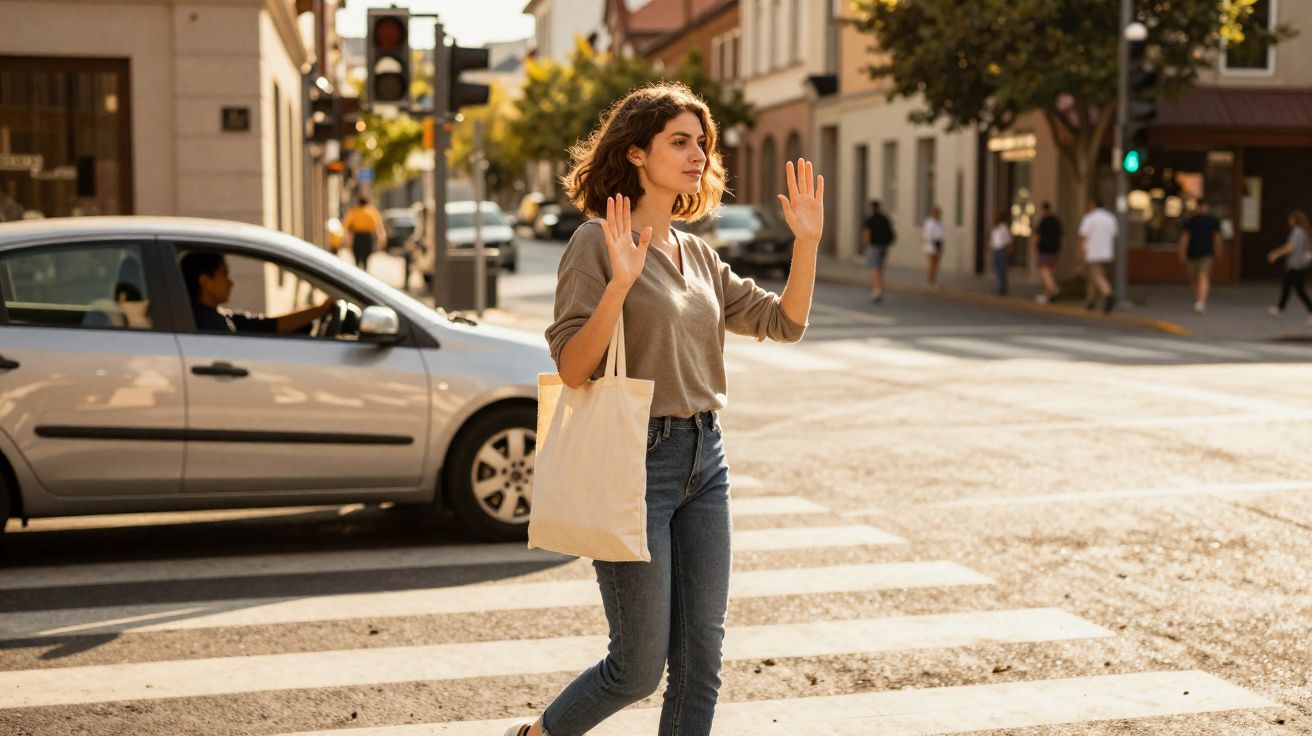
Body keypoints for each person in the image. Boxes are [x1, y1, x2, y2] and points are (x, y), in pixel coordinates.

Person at [520, 83, 824, 736]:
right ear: (636, 154)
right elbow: (574, 367)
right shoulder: (594, 244)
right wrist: (620, 287)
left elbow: (785, 323)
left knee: (701, 658)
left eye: (701, 142)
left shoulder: (697, 253)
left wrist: (806, 243)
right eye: (679, 141)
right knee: (636, 666)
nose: (697, 154)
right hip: (635, 458)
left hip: (705, 458)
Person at [179, 251, 333, 334]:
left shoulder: (211, 317)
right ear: (205, 281)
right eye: (224, 274)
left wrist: (321, 310)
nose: (231, 283)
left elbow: (268, 325)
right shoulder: (211, 324)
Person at [1266, 209, 1312, 323]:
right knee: (1287, 287)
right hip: (1298, 264)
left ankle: (1309, 310)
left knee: (1299, 289)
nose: (1289, 221)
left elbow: (1290, 247)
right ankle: (1280, 308)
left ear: (1295, 220)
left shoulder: (1297, 232)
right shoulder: (1304, 231)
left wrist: (1276, 253)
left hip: (1296, 264)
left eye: (1291, 219)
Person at [1179, 200, 1223, 314]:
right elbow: (1185, 237)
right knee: (1194, 277)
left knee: (1203, 276)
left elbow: (1217, 237)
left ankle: (1201, 302)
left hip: (1206, 254)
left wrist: (1218, 250)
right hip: (1192, 253)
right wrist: (1182, 252)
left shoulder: (1213, 221)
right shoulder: (1191, 221)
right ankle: (1199, 299)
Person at [1078, 199, 1117, 313]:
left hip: (1093, 252)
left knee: (1097, 277)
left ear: (1093, 205)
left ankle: (1108, 295)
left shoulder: (1089, 218)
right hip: (1107, 252)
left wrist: (1079, 252)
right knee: (1093, 278)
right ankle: (1090, 302)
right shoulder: (1111, 218)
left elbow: (1083, 236)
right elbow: (1114, 233)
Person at [861, 199, 895, 303]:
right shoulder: (884, 218)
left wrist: (865, 245)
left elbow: (867, 233)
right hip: (883, 246)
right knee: (880, 268)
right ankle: (880, 287)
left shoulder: (871, 219)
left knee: (874, 268)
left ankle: (877, 290)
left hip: (874, 246)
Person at [341, 195, 387, 271]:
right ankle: (364, 272)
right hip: (368, 238)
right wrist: (381, 238)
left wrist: (346, 238)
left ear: (359, 203)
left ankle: (357, 273)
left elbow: (346, 225)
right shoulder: (372, 212)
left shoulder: (354, 211)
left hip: (357, 237)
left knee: (357, 258)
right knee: (366, 258)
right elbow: (379, 226)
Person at [1031, 201, 1063, 303]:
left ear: (1043, 210)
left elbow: (1037, 236)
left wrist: (1034, 248)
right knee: (1049, 273)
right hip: (1055, 250)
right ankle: (1047, 296)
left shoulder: (1043, 221)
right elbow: (1061, 235)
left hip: (1045, 249)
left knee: (1045, 272)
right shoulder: (1056, 221)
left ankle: (1054, 289)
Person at [989, 211, 1013, 296]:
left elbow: (1008, 240)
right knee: (997, 269)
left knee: (1002, 270)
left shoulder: (1003, 228)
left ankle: (1003, 288)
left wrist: (1008, 251)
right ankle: (1000, 287)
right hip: (996, 250)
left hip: (1001, 250)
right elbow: (992, 240)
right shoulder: (995, 228)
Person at [921, 205, 945, 287]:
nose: (937, 215)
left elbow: (942, 234)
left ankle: (934, 279)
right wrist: (926, 243)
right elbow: (925, 233)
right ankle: (931, 280)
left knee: (937, 263)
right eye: (936, 213)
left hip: (938, 242)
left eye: (938, 213)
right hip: (931, 243)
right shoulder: (929, 222)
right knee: (932, 263)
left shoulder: (940, 222)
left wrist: (942, 245)